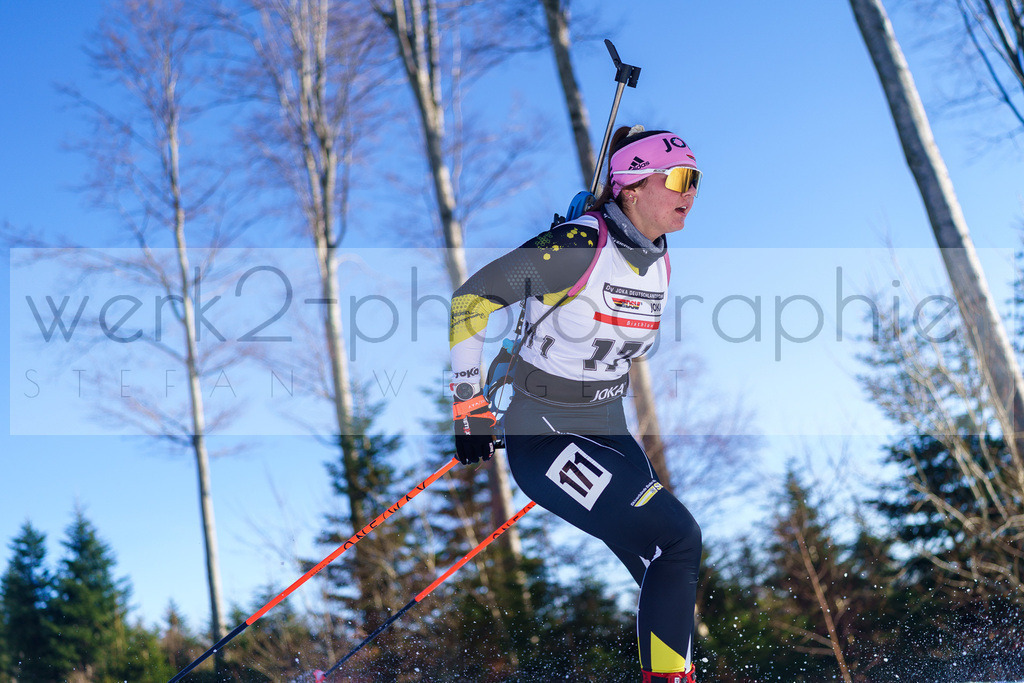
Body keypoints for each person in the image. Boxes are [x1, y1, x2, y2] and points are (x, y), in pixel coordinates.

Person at [448, 125, 703, 683]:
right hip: (544, 434)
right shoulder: (578, 246)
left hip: (609, 428)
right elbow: (471, 299)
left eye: (696, 181)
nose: (690, 192)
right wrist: (467, 404)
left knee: (664, 569)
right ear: (633, 187)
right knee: (679, 538)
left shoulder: (658, 255)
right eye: (680, 179)